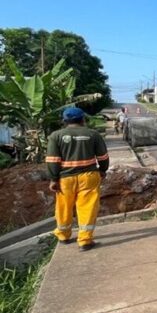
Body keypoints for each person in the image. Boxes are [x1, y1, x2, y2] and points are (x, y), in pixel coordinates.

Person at [46, 107, 109, 251]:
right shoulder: (93, 134)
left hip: (65, 179)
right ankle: (85, 240)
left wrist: (53, 179)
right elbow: (103, 157)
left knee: (63, 207)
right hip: (89, 177)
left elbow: (52, 160)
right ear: (83, 119)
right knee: (87, 207)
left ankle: (63, 235)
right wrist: (103, 170)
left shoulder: (56, 136)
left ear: (64, 121)